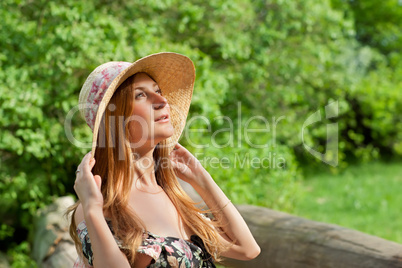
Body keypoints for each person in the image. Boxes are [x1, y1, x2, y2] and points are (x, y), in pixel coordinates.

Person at [67, 52, 260, 268]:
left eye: (157, 91)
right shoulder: (98, 205)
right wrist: (92, 208)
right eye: (140, 95)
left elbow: (247, 248)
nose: (161, 101)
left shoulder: (175, 198)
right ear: (115, 120)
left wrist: (201, 178)